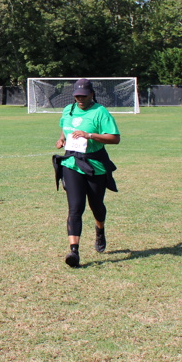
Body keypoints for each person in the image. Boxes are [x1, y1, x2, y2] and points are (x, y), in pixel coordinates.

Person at [53, 78, 121, 267]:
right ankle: (74, 252)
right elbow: (65, 128)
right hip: (71, 163)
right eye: (77, 96)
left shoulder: (100, 112)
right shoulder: (68, 110)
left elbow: (115, 138)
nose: (80, 99)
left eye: (83, 96)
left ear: (92, 94)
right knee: (75, 207)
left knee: (96, 206)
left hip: (94, 164)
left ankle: (100, 230)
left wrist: (89, 135)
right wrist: (62, 139)